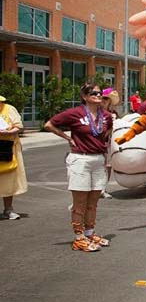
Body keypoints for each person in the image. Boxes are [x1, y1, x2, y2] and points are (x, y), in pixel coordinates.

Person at [44, 83, 114, 252]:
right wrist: (67, 138)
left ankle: (90, 233)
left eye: (99, 93)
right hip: (80, 159)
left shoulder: (106, 115)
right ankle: (78, 237)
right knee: (80, 202)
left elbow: (108, 131)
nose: (97, 96)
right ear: (84, 96)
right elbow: (49, 124)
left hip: (98, 160)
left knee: (94, 201)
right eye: (93, 93)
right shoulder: (75, 113)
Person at [0, 96, 26, 220]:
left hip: (6, 147)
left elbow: (19, 126)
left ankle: (8, 209)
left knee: (8, 179)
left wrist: (9, 132)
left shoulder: (9, 109)